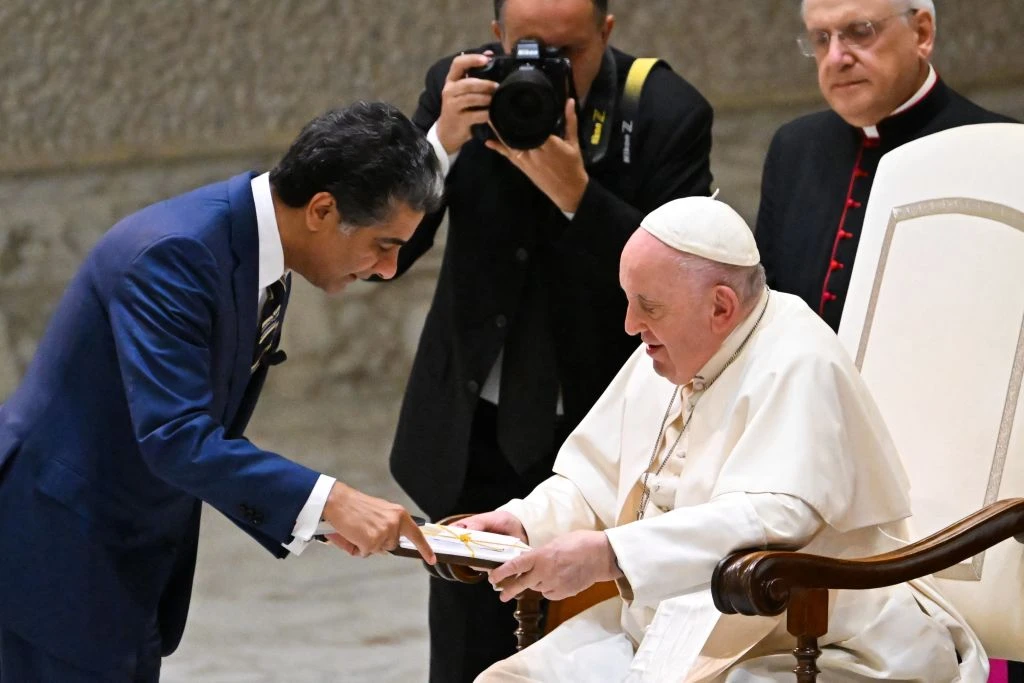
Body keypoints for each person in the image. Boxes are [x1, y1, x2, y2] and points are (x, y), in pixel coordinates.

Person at [0, 102, 441, 681]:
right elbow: (176, 436)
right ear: (322, 209)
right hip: (54, 553)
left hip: (123, 555)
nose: (388, 269)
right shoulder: (174, 255)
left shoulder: (256, 250)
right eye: (385, 245)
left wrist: (315, 518)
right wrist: (331, 500)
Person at [460, 196, 986, 681]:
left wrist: (611, 554)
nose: (629, 324)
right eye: (627, 300)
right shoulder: (665, 351)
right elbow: (594, 476)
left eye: (648, 305)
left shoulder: (799, 360)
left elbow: (774, 518)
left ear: (720, 307)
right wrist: (524, 522)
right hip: (677, 625)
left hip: (811, 634)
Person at [388, 0, 714, 678]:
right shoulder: (464, 89)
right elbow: (390, 251)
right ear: (498, 33)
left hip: (596, 435)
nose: (547, 68)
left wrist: (580, 198)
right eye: (531, 46)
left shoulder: (664, 113)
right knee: (465, 654)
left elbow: (686, 284)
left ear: (607, 33)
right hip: (470, 429)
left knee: (591, 646)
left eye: (570, 51)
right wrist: (438, 147)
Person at [755, 0, 1015, 331]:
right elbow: (764, 310)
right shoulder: (794, 148)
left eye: (860, 32)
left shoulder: (1001, 150)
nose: (836, 58)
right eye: (821, 38)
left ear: (921, 33)